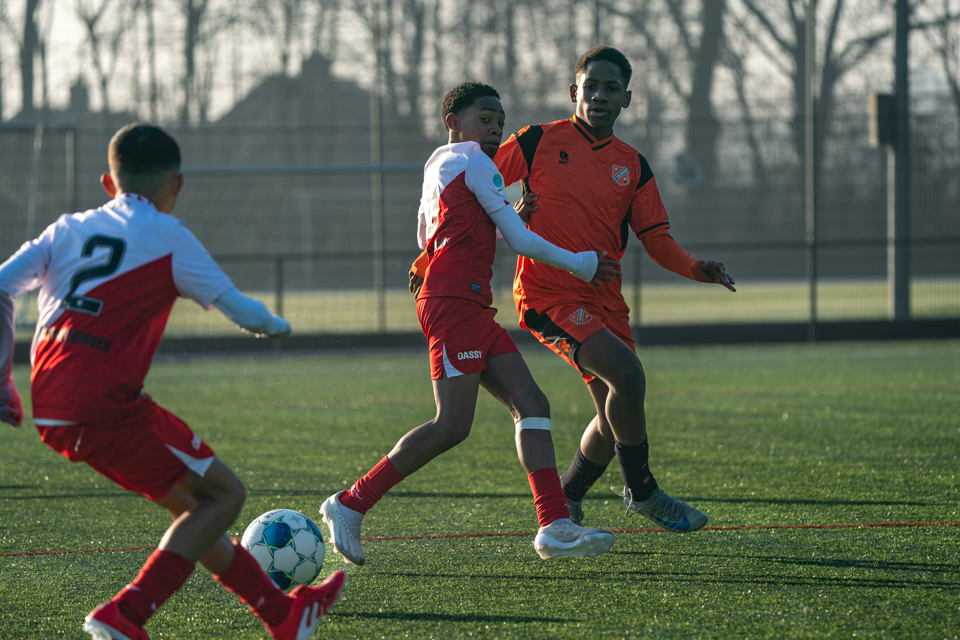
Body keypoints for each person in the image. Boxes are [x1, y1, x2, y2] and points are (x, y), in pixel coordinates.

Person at [0, 123, 344, 640]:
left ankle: (282, 615)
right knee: (225, 495)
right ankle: (126, 613)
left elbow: (2, 285)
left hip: (50, 402)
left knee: (196, 511)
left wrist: (2, 380)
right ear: (176, 185)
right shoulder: (169, 236)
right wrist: (278, 326)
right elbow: (244, 312)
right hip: (104, 404)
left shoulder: (66, 228)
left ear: (108, 183)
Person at [411, 47, 736, 532]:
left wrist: (694, 266)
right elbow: (466, 188)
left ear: (626, 98)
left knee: (612, 415)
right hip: (548, 295)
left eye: (611, 89)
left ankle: (568, 494)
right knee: (628, 375)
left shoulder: (633, 166)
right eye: (591, 87)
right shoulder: (537, 140)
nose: (599, 96)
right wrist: (429, 256)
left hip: (605, 300)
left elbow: (657, 239)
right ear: (573, 92)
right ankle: (643, 490)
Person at [321, 82, 621, 566]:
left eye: (500, 120)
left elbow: (435, 234)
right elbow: (521, 241)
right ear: (453, 122)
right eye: (485, 118)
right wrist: (582, 263)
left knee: (532, 404)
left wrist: (498, 220)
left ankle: (554, 525)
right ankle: (350, 503)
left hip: (467, 302)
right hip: (455, 302)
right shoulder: (476, 162)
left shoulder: (439, 164)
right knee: (451, 425)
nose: (496, 127)